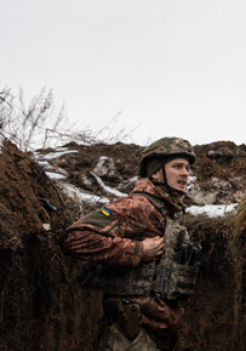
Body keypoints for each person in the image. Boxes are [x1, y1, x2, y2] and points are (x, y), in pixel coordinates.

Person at [62, 137, 199, 351]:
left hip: (153, 334)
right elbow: (76, 238)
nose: (185, 173)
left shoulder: (163, 212)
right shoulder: (137, 206)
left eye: (187, 168)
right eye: (177, 166)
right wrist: (139, 250)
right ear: (155, 172)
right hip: (129, 336)